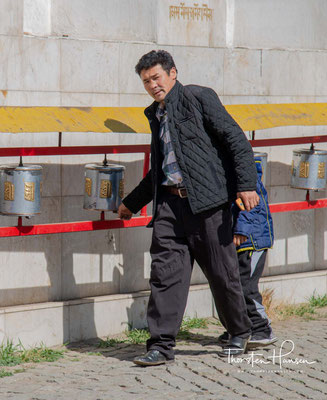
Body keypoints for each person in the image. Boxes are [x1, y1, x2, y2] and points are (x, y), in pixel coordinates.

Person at [117, 50, 259, 365]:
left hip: (207, 204)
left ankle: (239, 330)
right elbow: (160, 169)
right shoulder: (155, 114)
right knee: (165, 274)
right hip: (169, 206)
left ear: (173, 73)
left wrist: (246, 185)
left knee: (222, 273)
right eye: (146, 81)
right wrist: (132, 202)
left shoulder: (199, 98)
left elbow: (237, 141)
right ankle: (161, 345)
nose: (153, 85)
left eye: (156, 77)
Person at [219, 157, 276, 348]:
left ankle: (261, 328)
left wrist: (241, 230)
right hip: (238, 240)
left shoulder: (246, 172)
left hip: (251, 241)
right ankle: (239, 327)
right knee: (232, 286)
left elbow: (253, 204)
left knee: (246, 286)